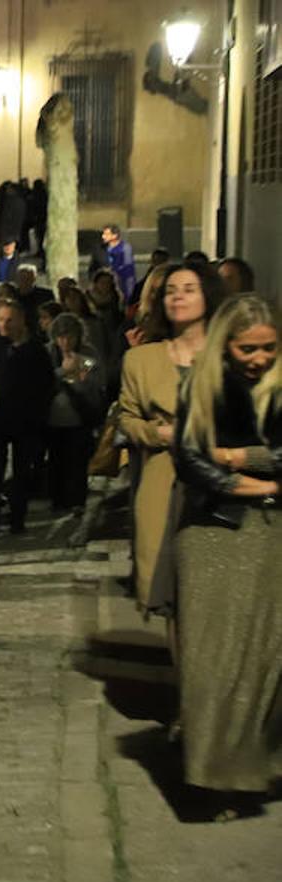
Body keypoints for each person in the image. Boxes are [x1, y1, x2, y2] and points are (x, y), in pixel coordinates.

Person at [170, 293, 280, 813]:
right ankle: (208, 775)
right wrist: (256, 486)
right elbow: (190, 459)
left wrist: (240, 455)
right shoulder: (201, 385)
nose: (258, 359)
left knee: (262, 660)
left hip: (270, 538)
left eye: (268, 349)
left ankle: (253, 768)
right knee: (212, 662)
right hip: (213, 533)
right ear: (226, 345)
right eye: (248, 349)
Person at [117, 262, 225, 610]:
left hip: (218, 476)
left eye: (189, 289)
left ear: (208, 295)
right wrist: (158, 432)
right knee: (167, 588)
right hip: (163, 475)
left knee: (214, 590)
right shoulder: (140, 360)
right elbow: (127, 418)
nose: (178, 297)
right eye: (171, 290)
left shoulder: (231, 355)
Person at [0, 299, 55, 535]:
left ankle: (17, 519)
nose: (4, 325)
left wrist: (38, 416)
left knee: (22, 473)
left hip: (25, 423)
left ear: (21, 320)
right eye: (0, 320)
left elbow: (46, 386)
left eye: (9, 320)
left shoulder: (37, 352)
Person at [46, 314, 103, 511]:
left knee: (77, 463)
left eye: (70, 337)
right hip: (53, 419)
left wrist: (77, 374)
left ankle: (77, 500)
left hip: (79, 418)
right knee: (56, 462)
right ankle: (58, 499)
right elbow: (42, 382)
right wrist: (63, 371)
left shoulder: (88, 354)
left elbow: (94, 385)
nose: (66, 342)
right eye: (61, 337)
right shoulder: (49, 353)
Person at [101, 224, 136, 306]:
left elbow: (128, 266)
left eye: (106, 234)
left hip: (123, 281)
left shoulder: (125, 248)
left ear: (115, 235)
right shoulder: (103, 249)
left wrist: (115, 271)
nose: (103, 236)